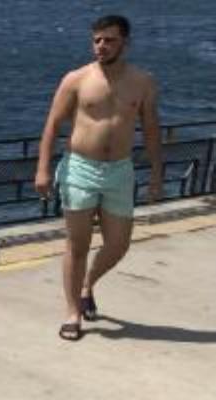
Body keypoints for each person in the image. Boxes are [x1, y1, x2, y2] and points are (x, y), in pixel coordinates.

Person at [34, 14, 163, 341]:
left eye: (109, 40)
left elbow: (150, 129)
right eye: (97, 40)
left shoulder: (143, 82)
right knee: (77, 246)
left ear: (125, 43)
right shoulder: (76, 79)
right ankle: (72, 312)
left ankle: (88, 284)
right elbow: (52, 124)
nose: (101, 46)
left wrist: (157, 173)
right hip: (80, 168)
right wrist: (43, 169)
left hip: (120, 170)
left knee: (119, 245)